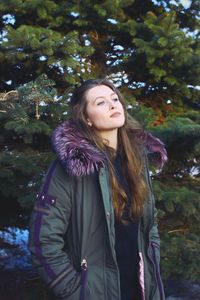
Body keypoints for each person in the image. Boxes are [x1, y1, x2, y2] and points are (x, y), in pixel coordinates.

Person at [29, 78, 167, 300]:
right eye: (101, 102)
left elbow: (149, 224)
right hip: (94, 291)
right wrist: (77, 292)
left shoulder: (136, 158)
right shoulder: (72, 166)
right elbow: (42, 241)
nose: (113, 105)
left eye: (115, 99)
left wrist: (152, 261)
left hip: (140, 289)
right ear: (86, 118)